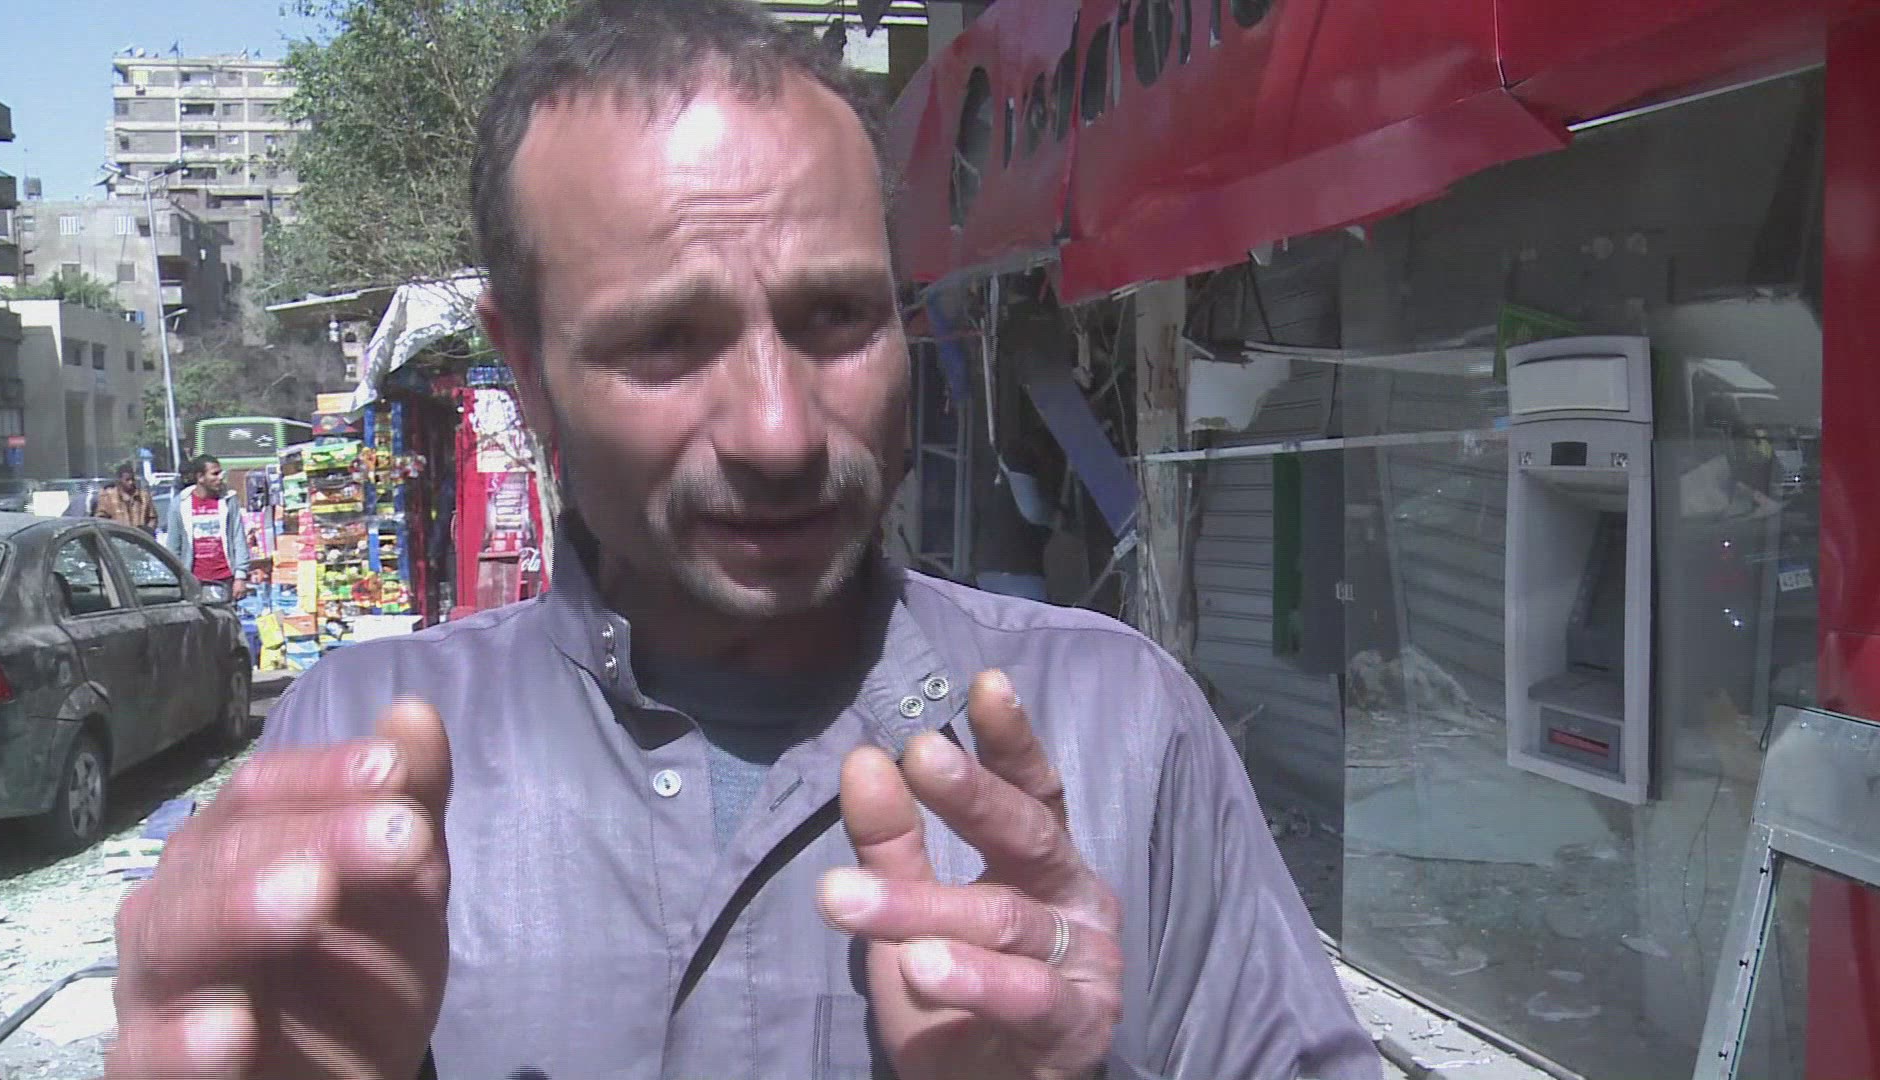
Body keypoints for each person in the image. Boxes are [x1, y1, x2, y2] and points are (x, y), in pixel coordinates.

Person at [105, 3, 1380, 1078]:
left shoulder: (1122, 727)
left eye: (836, 318)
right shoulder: (360, 758)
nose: (779, 433)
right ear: (526, 373)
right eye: (666, 340)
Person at [164, 454, 249, 603]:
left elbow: (238, 539)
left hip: (225, 579)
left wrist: (240, 577)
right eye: (214, 474)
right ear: (200, 477)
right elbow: (173, 546)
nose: (220, 478)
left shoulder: (228, 500)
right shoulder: (180, 504)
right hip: (194, 581)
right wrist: (176, 580)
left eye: (220, 473)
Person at [92, 461, 158, 533]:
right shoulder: (108, 497)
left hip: (140, 537)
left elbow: (152, 518)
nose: (131, 482)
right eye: (127, 480)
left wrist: (147, 532)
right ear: (120, 480)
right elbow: (101, 519)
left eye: (132, 479)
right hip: (118, 537)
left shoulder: (143, 497)